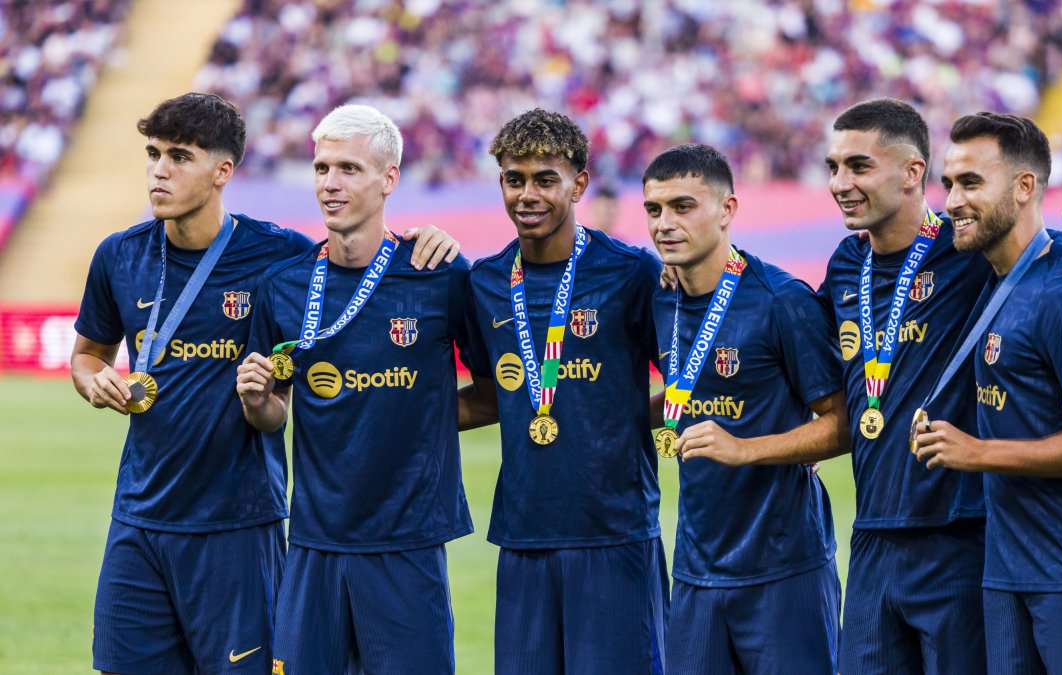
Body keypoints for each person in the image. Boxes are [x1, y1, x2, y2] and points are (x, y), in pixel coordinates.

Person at [71, 93, 457, 675]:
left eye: (179, 156)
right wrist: (95, 379)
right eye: (153, 154)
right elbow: (87, 356)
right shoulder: (118, 256)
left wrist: (425, 238)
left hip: (239, 520)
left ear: (223, 171)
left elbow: (350, 273)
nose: (159, 169)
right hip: (138, 515)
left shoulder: (279, 260)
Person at [818, 98, 1062, 674]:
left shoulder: (977, 249)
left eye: (857, 166)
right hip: (879, 533)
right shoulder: (845, 266)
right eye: (833, 167)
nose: (840, 183)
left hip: (962, 531)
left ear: (910, 173)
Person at [913, 112, 1062, 674]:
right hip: (1008, 566)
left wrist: (976, 453)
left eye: (972, 183)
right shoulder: (995, 275)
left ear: (1025, 188)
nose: (952, 201)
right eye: (949, 184)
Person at [235, 104, 471, 674]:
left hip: (406, 539)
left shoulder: (438, 273)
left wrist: (417, 412)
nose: (330, 183)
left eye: (349, 168)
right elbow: (276, 414)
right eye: (321, 168)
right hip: (314, 539)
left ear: (389, 179)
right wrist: (258, 400)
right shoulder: (285, 285)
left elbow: (492, 389)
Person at [457, 108, 667, 674]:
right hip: (523, 531)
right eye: (514, 178)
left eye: (545, 179)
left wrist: (623, 415)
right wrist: (385, 405)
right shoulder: (484, 281)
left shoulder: (630, 272)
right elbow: (485, 395)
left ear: (578, 184)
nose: (528, 194)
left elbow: (684, 384)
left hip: (614, 529)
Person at [643, 143, 848, 673]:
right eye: (655, 210)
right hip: (694, 568)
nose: (665, 223)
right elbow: (694, 386)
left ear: (728, 209)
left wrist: (743, 449)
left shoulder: (782, 300)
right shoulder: (661, 297)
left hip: (784, 567)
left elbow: (844, 422)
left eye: (683, 206)